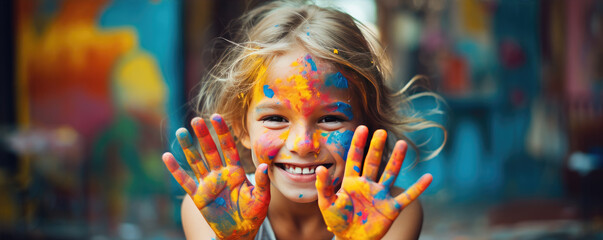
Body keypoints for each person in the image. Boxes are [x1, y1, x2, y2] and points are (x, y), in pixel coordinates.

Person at [162, 1, 445, 239]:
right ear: (241, 127)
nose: (303, 144)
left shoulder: (392, 212)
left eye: (331, 119)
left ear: (367, 123)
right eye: (275, 118)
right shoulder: (214, 210)